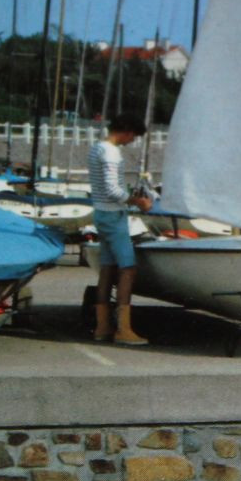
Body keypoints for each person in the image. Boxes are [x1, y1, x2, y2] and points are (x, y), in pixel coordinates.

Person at [88, 114, 155, 345]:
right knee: (128, 268)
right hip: (113, 215)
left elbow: (105, 188)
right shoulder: (111, 153)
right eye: (133, 136)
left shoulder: (97, 148)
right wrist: (138, 202)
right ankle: (123, 329)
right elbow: (112, 190)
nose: (131, 141)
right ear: (125, 131)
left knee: (107, 268)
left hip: (101, 213)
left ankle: (102, 326)